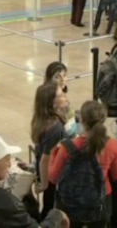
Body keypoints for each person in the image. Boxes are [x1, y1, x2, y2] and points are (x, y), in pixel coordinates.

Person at [49, 101, 117, 228]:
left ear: (82, 121)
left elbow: (53, 177)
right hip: (100, 204)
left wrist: (52, 155)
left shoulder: (67, 147)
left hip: (70, 205)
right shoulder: (112, 145)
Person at [31, 82, 70, 219]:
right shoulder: (55, 128)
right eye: (60, 95)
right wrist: (45, 184)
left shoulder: (42, 121)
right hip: (52, 178)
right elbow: (45, 159)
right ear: (52, 104)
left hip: (47, 174)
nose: (65, 96)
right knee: (51, 210)